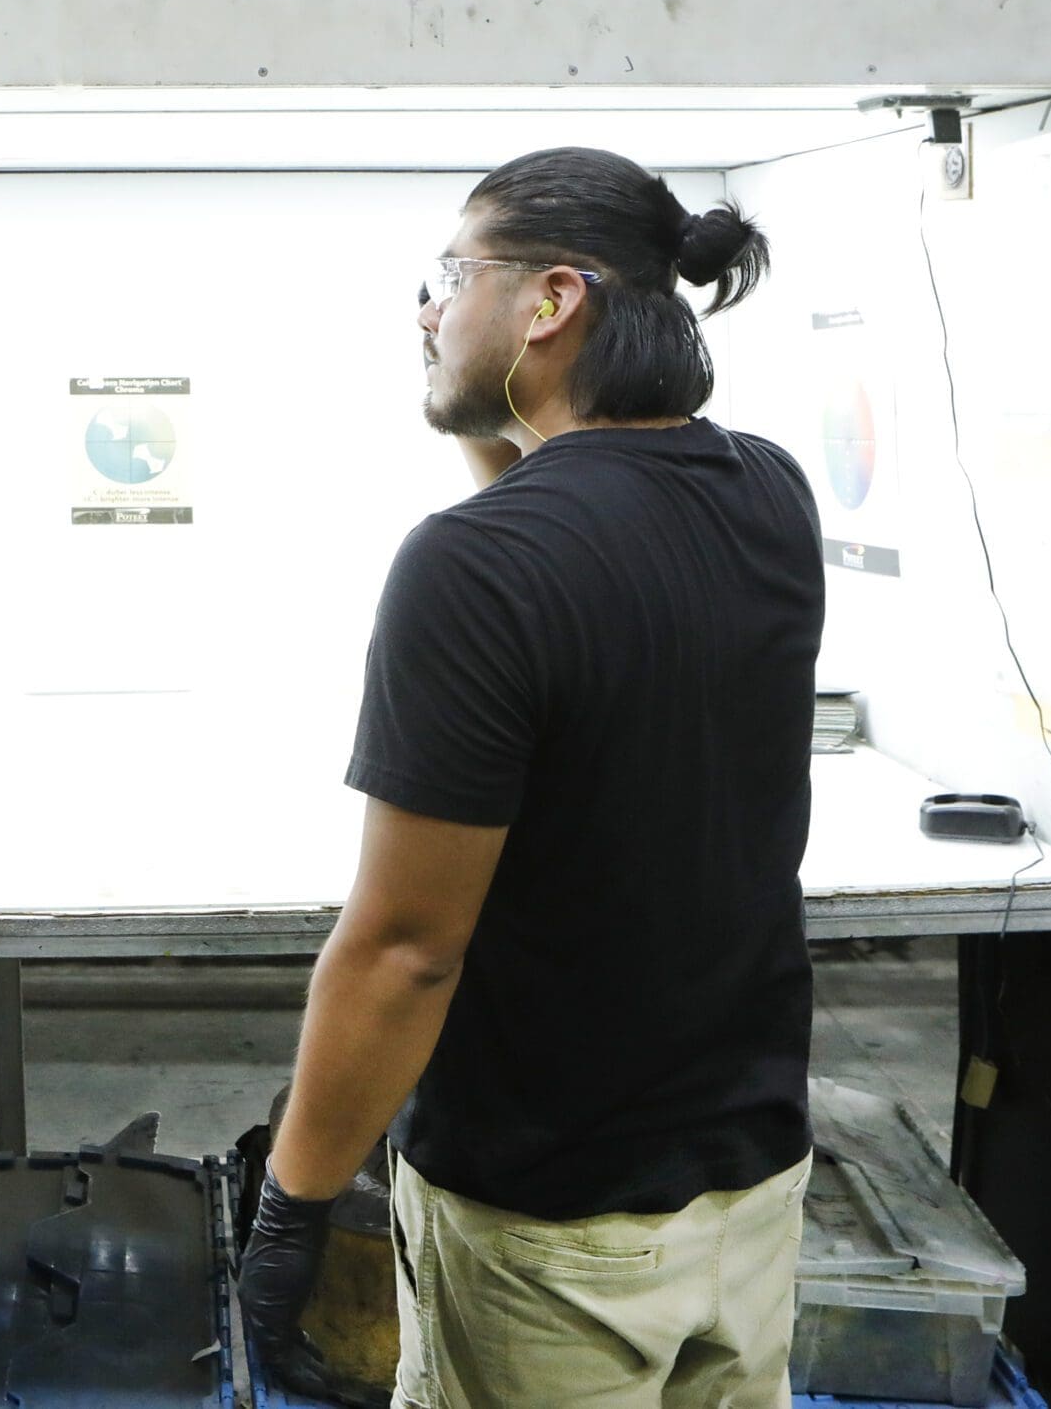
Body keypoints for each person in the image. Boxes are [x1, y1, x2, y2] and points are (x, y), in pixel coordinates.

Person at [238, 147, 824, 1409]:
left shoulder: (473, 568)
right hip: (751, 1182)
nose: (426, 311)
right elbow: (573, 526)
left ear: (552, 300)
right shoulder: (769, 488)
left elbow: (405, 949)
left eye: (450, 276)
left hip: (552, 1225)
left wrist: (292, 1203)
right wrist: (484, 405)